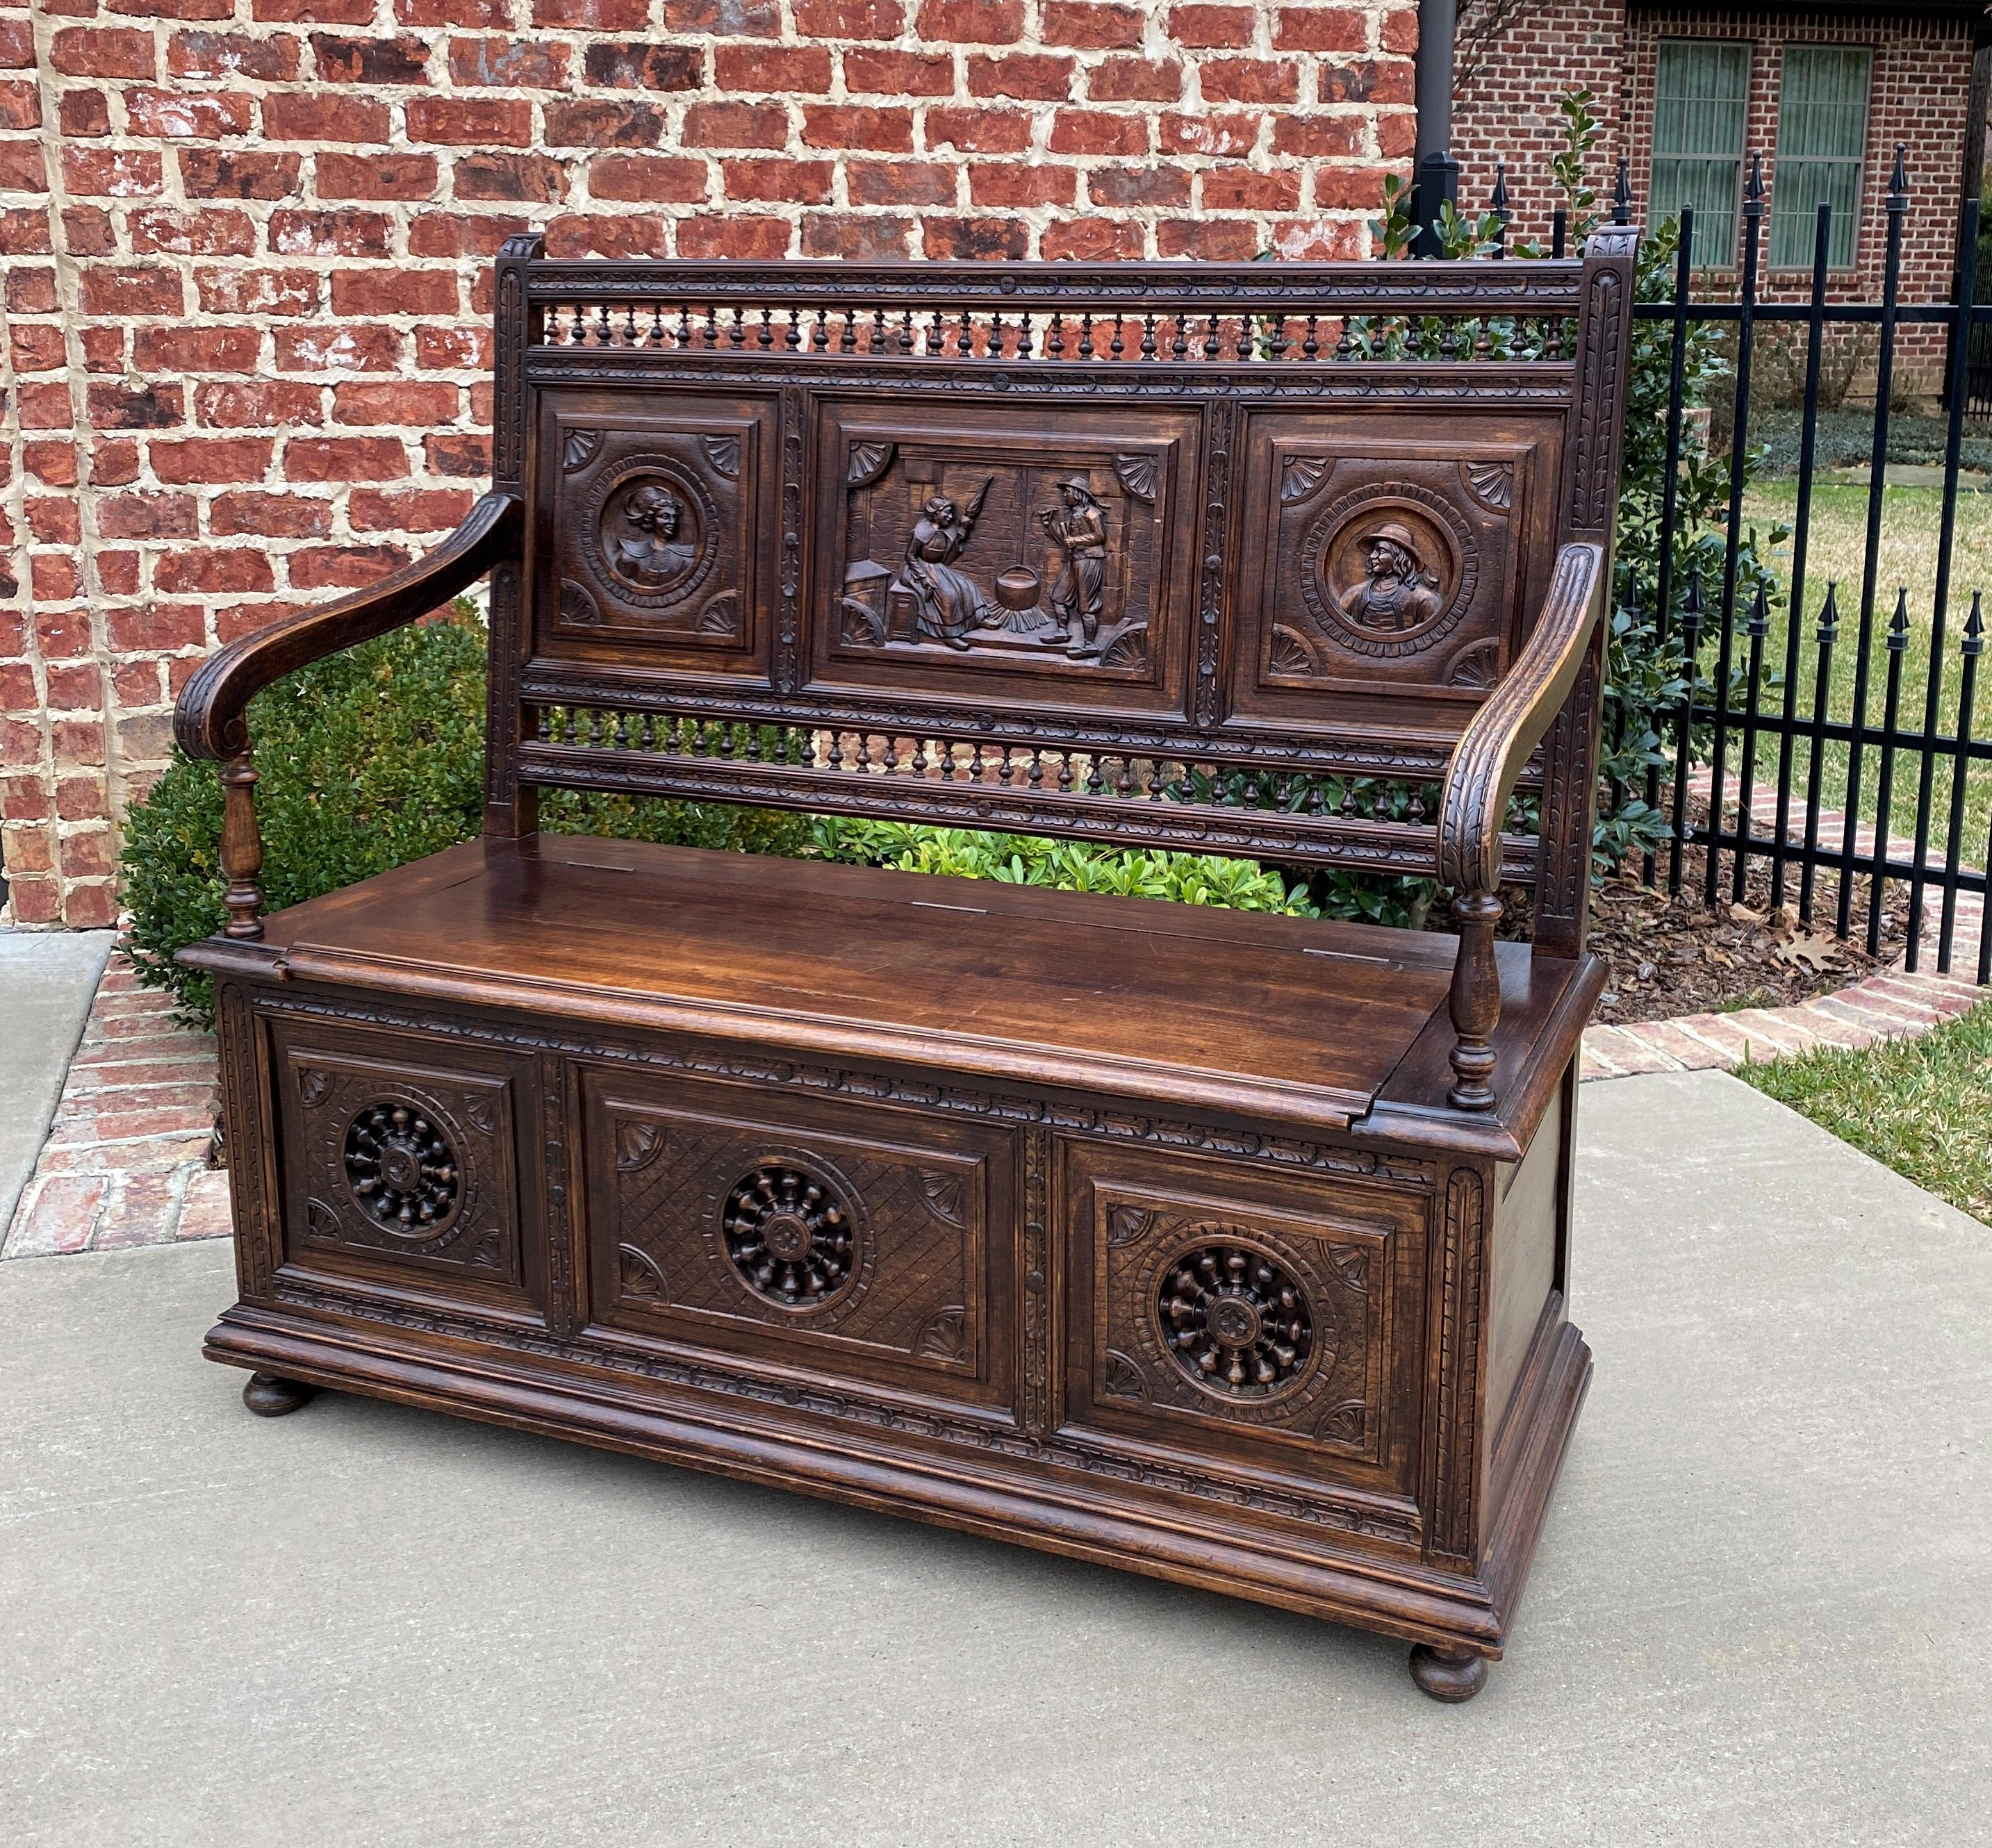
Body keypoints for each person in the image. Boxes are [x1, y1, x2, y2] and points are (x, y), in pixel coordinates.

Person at [895, 493, 989, 648]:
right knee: (948, 595)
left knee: (966, 586)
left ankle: (978, 618)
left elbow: (947, 559)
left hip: (938, 567)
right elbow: (910, 556)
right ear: (935, 513)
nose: (951, 516)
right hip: (919, 569)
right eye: (947, 513)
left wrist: (959, 538)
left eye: (951, 512)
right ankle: (948, 635)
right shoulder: (920, 533)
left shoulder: (946, 531)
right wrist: (923, 579)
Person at [1039, 477, 1109, 657]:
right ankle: (1062, 631)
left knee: (1086, 606)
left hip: (1088, 561)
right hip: (1073, 560)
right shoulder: (1073, 514)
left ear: (1078, 494)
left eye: (1067, 492)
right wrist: (1050, 524)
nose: (1064, 495)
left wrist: (1076, 540)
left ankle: (1089, 645)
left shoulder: (1091, 513)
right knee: (1058, 596)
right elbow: (1065, 542)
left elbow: (1100, 536)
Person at [1337, 522, 1442, 633]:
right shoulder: (1355, 594)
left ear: (1399, 558)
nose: (1372, 556)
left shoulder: (1424, 599)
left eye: (1381, 551)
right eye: (1373, 551)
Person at [611, 484, 696, 588]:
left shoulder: (685, 560)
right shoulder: (629, 557)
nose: (672, 522)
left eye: (674, 517)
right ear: (651, 519)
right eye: (665, 517)